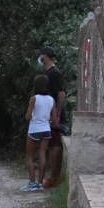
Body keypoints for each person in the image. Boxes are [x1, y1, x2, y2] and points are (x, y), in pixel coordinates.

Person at [38, 46, 67, 189]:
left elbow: (61, 94)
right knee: (49, 145)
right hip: (48, 113)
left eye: (41, 56)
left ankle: (54, 178)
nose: (40, 59)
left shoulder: (54, 73)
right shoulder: (48, 72)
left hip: (54, 114)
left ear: (46, 56)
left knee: (55, 144)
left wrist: (57, 114)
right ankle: (50, 176)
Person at [23, 74, 54, 192]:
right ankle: (40, 183)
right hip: (46, 130)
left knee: (29, 156)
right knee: (42, 154)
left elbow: (27, 116)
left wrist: (34, 116)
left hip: (34, 129)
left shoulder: (34, 98)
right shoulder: (51, 99)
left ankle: (32, 183)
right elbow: (53, 118)